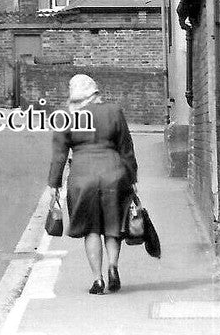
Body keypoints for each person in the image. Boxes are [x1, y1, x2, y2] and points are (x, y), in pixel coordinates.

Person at [47, 74, 137, 295]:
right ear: (95, 92)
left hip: (82, 178)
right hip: (114, 174)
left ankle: (97, 281)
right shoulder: (114, 111)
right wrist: (133, 178)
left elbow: (59, 155)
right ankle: (113, 267)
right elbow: (126, 148)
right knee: (113, 227)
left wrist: (54, 184)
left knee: (92, 229)